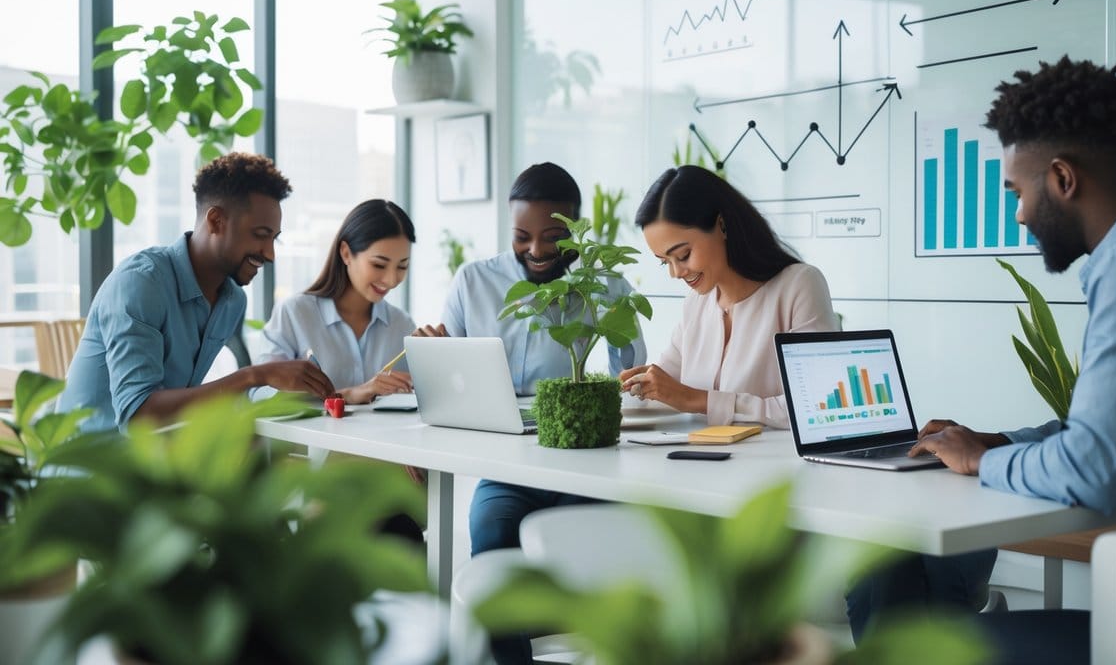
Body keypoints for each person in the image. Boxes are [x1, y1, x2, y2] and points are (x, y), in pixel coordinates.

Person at [904, 56, 1116, 663]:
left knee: (918, 649)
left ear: (1063, 179)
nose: (1017, 213)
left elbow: (1096, 469)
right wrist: (996, 441)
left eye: (1018, 191)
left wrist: (983, 464)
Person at [415, 162, 646, 665]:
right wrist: (434, 355)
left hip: (587, 467)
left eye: (552, 237)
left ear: (577, 229)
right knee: (492, 532)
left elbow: (636, 383)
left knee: (582, 549)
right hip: (506, 472)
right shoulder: (474, 281)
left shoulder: (605, 287)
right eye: (522, 236)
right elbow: (448, 377)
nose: (537, 251)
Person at [60, 152, 334, 433]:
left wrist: (282, 387)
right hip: (87, 467)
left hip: (154, 457)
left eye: (274, 239)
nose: (270, 254)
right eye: (260, 235)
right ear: (215, 221)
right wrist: (256, 375)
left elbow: (198, 401)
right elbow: (138, 414)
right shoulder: (141, 283)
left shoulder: (232, 300)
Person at [620, 165, 839, 428]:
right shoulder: (696, 304)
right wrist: (641, 386)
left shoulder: (799, 285)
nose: (676, 273)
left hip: (777, 467)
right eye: (664, 262)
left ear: (722, 224)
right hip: (696, 463)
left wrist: (699, 400)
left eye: (683, 255)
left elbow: (815, 405)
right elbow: (667, 388)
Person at [254, 199, 416, 406]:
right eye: (379, 264)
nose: (391, 280)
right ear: (346, 253)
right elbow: (261, 396)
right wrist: (346, 395)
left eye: (402, 267)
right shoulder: (295, 313)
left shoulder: (402, 325)